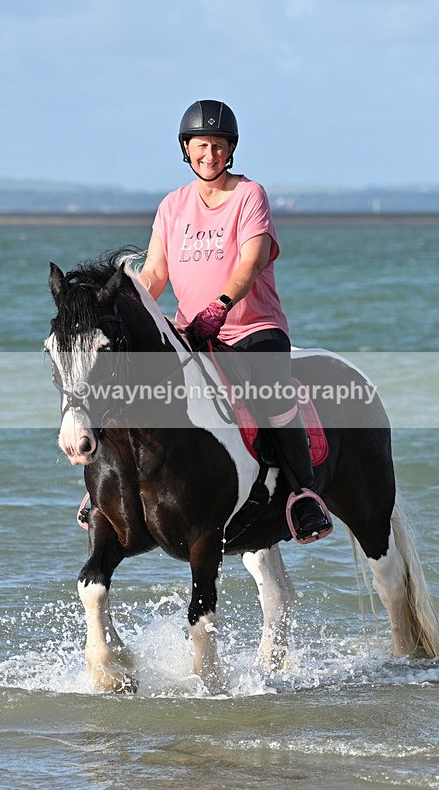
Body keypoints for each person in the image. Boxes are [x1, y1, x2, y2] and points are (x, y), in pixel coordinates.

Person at [138, 99, 330, 541]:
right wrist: (124, 304)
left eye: (219, 146)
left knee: (271, 392)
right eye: (201, 145)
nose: (210, 154)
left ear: (231, 149)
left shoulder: (249, 195)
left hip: (252, 328)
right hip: (191, 332)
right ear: (186, 149)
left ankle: (304, 496)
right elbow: (154, 273)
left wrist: (220, 305)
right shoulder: (171, 206)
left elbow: (252, 260)